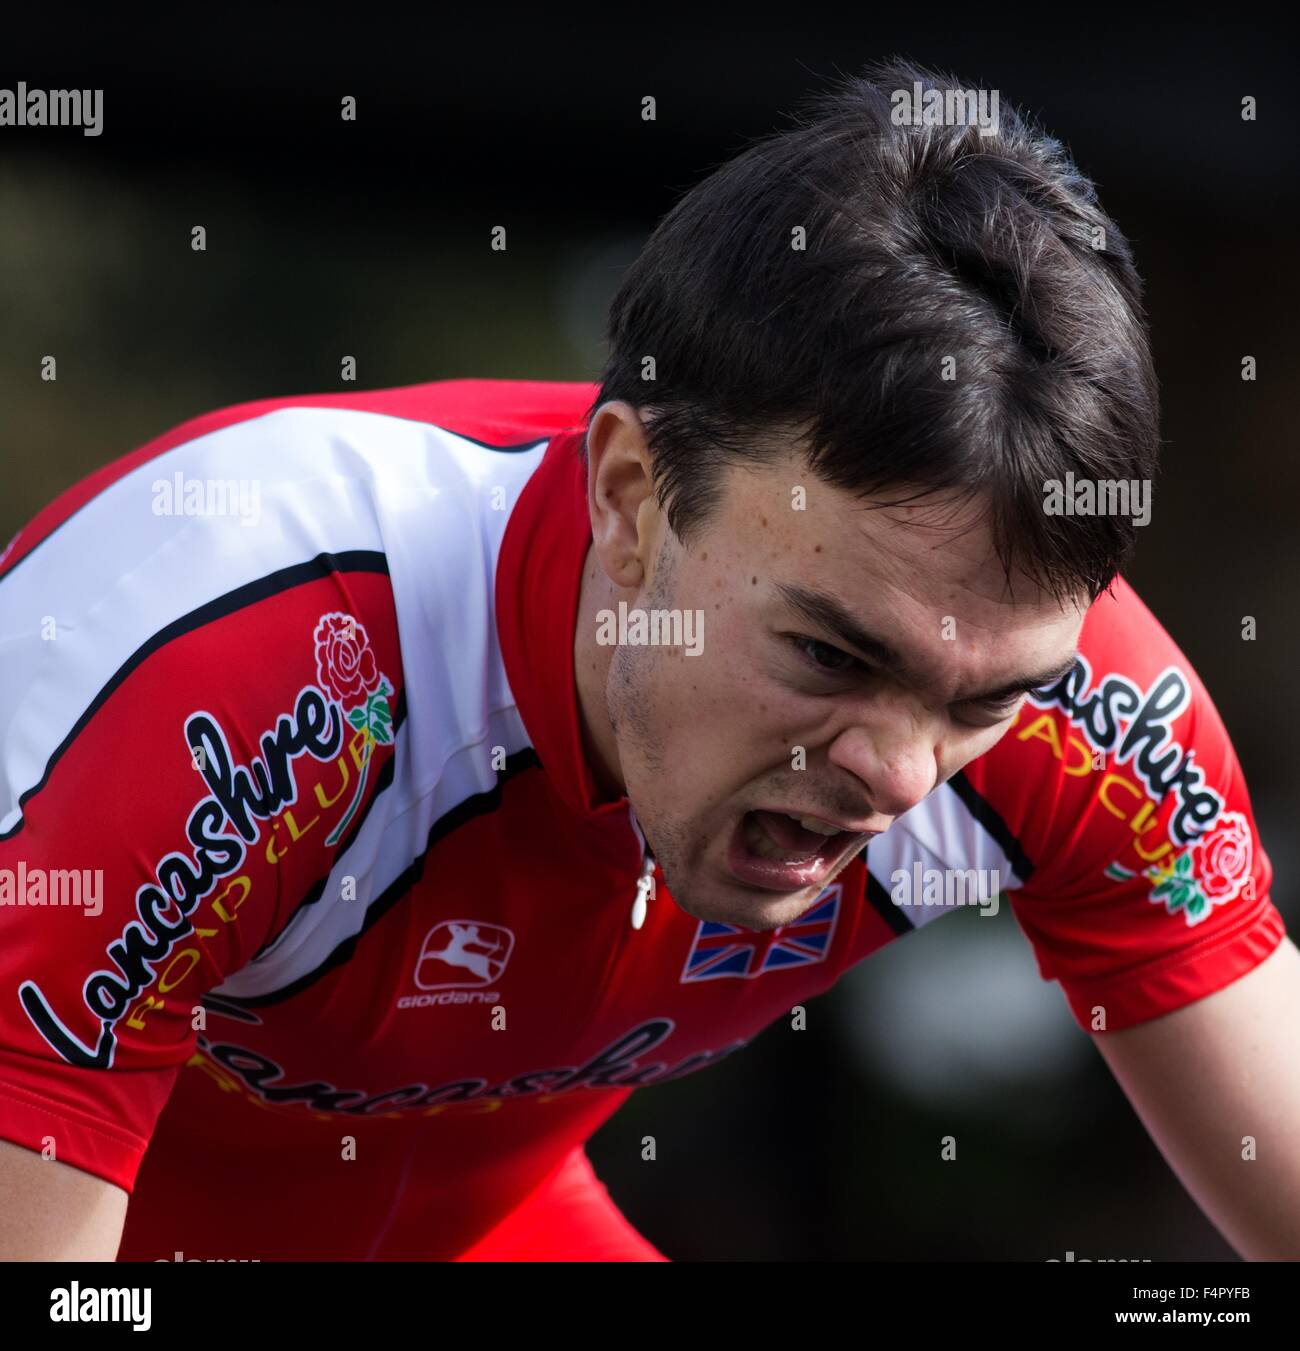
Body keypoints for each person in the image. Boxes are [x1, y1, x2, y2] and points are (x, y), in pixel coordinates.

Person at [0, 59, 1295, 1262]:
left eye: (984, 703)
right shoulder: (233, 665)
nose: (901, 775)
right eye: (828, 655)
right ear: (630, 496)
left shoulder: (1092, 713)